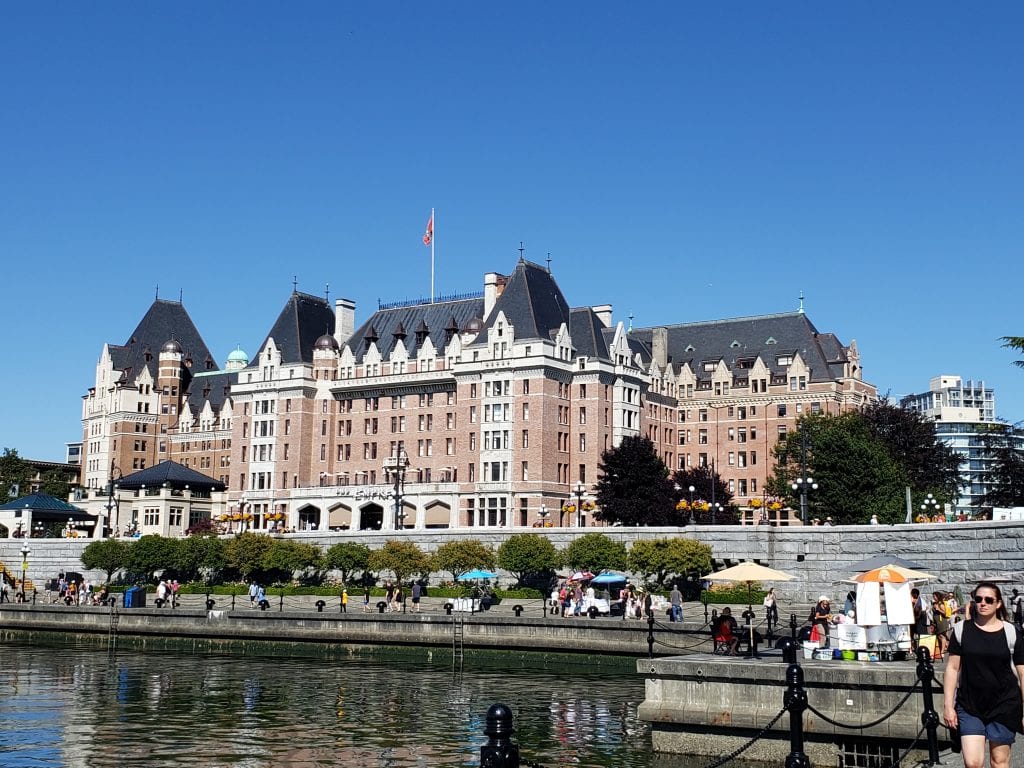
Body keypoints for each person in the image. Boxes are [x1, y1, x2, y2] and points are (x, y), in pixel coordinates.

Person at [943, 582, 1024, 768]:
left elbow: (1022, 672)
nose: (983, 603)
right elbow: (952, 668)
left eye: (989, 600)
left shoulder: (1011, 632)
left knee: (999, 761)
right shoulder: (962, 630)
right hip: (970, 704)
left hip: (1005, 703)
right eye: (978, 599)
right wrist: (948, 706)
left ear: (998, 604)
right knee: (973, 763)